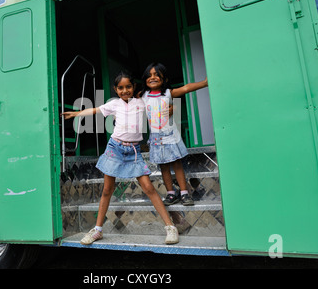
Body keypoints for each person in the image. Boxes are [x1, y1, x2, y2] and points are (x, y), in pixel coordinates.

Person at [62, 71, 179, 245]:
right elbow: (95, 110)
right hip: (114, 149)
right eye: (121, 87)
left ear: (134, 87)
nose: (125, 90)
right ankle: (98, 230)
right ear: (116, 89)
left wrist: (170, 108)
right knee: (107, 190)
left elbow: (158, 106)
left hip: (134, 152)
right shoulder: (114, 104)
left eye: (128, 87)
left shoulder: (141, 102)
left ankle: (170, 227)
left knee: (148, 187)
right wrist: (76, 114)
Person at [139, 63, 208, 206]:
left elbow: (186, 88)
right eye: (149, 75)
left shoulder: (168, 94)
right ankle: (171, 194)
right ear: (145, 79)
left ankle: (184, 193)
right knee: (164, 166)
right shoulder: (143, 96)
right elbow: (130, 104)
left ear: (164, 79)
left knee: (177, 164)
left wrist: (205, 83)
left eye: (157, 74)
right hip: (156, 138)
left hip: (170, 136)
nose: (153, 77)